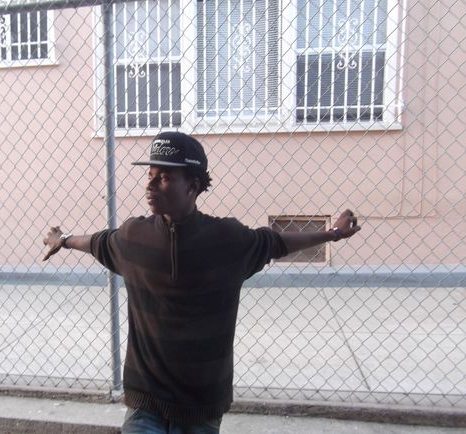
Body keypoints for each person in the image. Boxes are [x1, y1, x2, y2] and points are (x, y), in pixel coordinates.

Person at [42, 131, 360, 434]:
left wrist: (333, 234)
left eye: (164, 177)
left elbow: (275, 242)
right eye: (149, 175)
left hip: (201, 404)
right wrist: (64, 240)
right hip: (145, 403)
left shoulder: (227, 241)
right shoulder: (133, 236)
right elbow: (96, 242)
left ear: (192, 186)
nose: (150, 184)